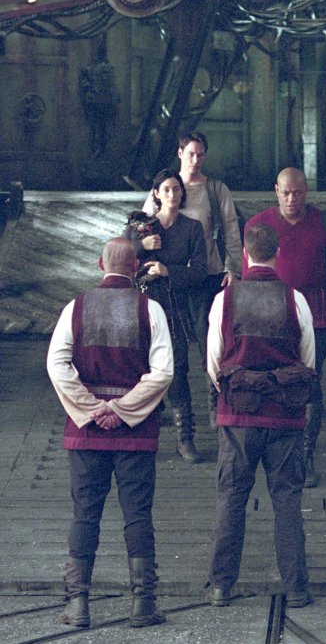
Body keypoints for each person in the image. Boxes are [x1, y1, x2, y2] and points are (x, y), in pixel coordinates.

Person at [46, 237, 174, 630]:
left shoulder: (76, 307)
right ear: (136, 266)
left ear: (100, 263)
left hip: (85, 433)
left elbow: (57, 365)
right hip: (137, 432)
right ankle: (143, 604)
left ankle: (78, 604)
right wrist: (121, 409)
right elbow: (163, 373)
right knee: (137, 515)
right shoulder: (150, 309)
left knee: (85, 514)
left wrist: (91, 408)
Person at [206, 223, 316, 607]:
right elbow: (308, 361)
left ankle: (221, 586)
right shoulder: (295, 300)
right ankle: (296, 587)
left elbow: (214, 362)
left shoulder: (224, 300)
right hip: (285, 417)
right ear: (278, 253)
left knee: (231, 498)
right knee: (287, 500)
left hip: (238, 417)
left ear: (246, 255)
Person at [243, 167, 326, 487]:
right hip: (271, 316)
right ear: (276, 191)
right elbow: (247, 275)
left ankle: (306, 455)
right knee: (271, 380)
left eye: (297, 192)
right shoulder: (258, 225)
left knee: (309, 382)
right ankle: (275, 451)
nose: (292, 199)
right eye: (286, 193)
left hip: (316, 316)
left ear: (306, 192)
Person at [129, 168, 207, 462]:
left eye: (176, 189)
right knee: (139, 367)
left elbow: (200, 271)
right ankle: (136, 433)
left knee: (178, 368)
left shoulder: (192, 228)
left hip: (176, 306)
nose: (172, 194)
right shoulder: (142, 226)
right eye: (166, 189)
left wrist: (168, 271)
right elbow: (118, 255)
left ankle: (185, 437)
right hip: (143, 303)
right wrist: (142, 246)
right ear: (156, 194)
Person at [142, 130, 242, 346]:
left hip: (207, 273)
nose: (195, 160)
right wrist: (143, 246)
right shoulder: (164, 187)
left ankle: (211, 368)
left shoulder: (216, 189)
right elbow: (143, 225)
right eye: (191, 154)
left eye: (200, 154)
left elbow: (231, 231)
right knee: (170, 339)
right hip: (167, 275)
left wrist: (233, 269)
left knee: (209, 337)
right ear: (180, 153)